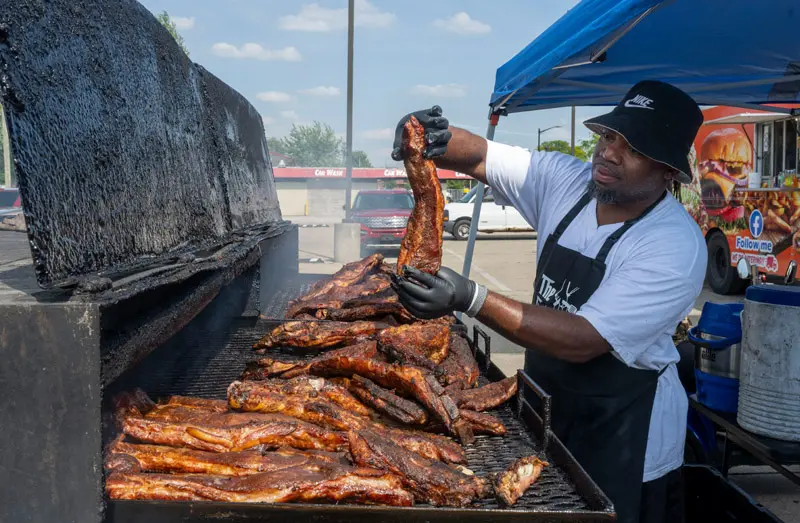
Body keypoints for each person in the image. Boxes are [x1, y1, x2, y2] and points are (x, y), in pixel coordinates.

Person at [390, 80, 707, 523]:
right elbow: (480, 155)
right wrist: (429, 135)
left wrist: (470, 296)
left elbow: (585, 339)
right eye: (610, 136)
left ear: (669, 171)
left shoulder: (674, 245)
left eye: (633, 148)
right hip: (547, 409)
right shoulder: (568, 180)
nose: (609, 153)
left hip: (625, 435)